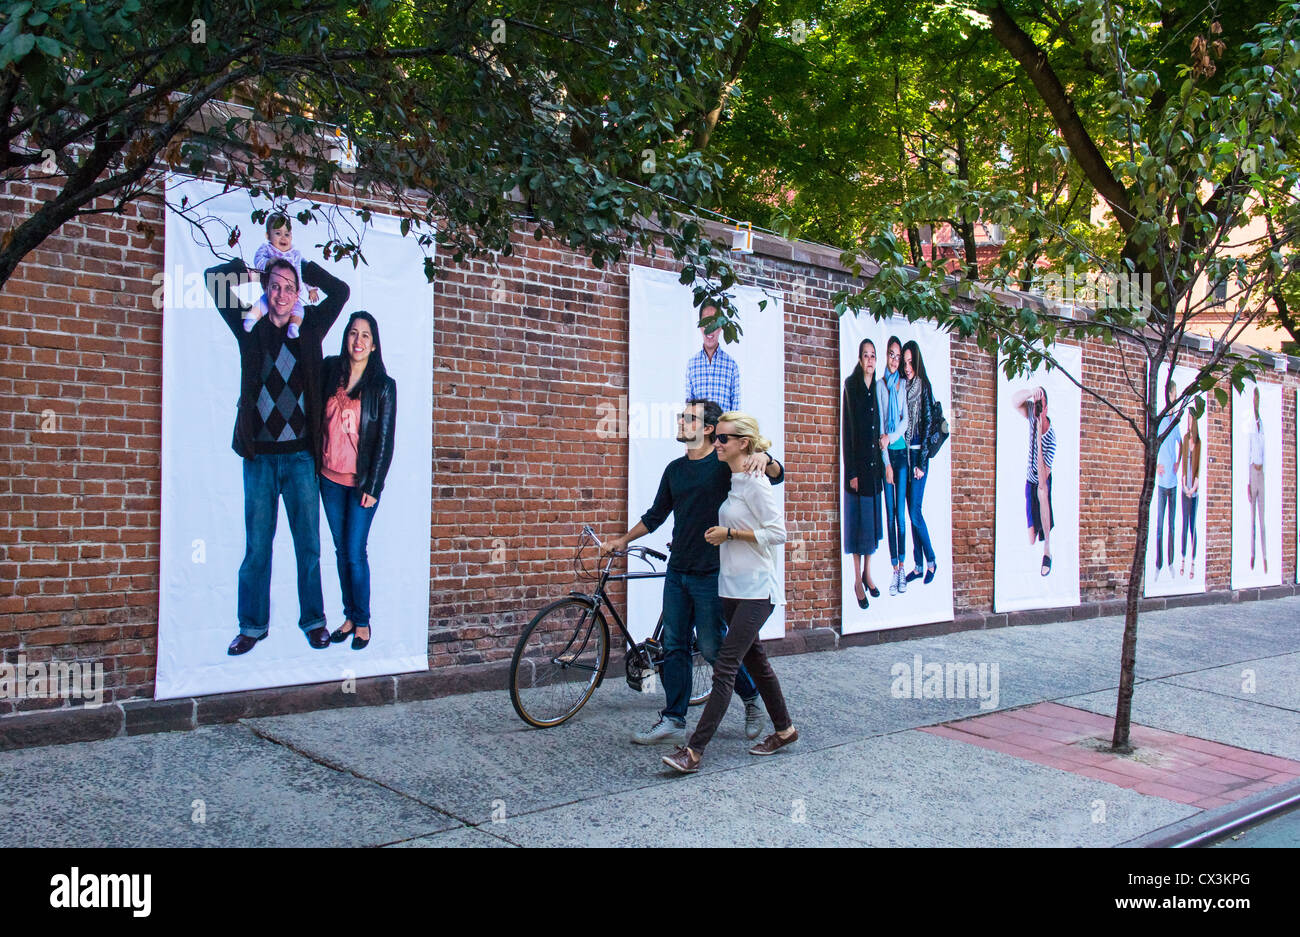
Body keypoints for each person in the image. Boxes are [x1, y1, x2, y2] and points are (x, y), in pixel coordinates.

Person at [604, 399, 784, 746]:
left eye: (687, 418)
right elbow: (656, 515)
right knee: (673, 645)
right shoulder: (674, 469)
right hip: (678, 570)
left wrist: (768, 459)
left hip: (712, 573)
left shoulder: (721, 465)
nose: (679, 422)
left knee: (715, 649)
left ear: (706, 429)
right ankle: (673, 718)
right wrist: (622, 540)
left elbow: (775, 477)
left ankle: (750, 699)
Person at [205, 254, 350, 654]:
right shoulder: (248, 328)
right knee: (257, 547)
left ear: (298, 292)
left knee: (308, 545)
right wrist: (253, 271)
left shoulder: (311, 328)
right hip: (260, 460)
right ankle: (252, 627)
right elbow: (213, 278)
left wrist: (304, 271)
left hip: (301, 459)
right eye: (275, 286)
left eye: (289, 287)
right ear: (265, 290)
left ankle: (314, 622)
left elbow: (340, 291)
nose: (282, 294)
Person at [662, 412, 796, 773]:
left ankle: (692, 751)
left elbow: (779, 533)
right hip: (730, 588)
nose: (716, 443)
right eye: (716, 437)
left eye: (723, 439)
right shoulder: (734, 480)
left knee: (723, 665)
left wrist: (731, 535)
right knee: (757, 662)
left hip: (757, 590)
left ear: (742, 443)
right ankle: (784, 729)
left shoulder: (754, 482)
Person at [320, 312, 397, 651]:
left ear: (374, 344)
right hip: (328, 479)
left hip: (361, 483)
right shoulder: (329, 372)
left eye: (365, 335)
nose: (358, 341)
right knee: (340, 551)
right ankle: (349, 617)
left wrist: (374, 487)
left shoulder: (383, 385)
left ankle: (363, 621)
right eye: (353, 333)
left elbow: (385, 440)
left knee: (355, 552)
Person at [842, 338, 885, 609]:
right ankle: (857, 579)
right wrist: (852, 472)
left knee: (871, 525)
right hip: (858, 469)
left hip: (875, 468)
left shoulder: (877, 388)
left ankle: (869, 573)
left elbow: (879, 423)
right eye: (865, 356)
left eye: (873, 356)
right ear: (859, 360)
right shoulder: (851, 385)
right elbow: (848, 432)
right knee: (858, 526)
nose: (870, 360)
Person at [242, 214, 317, 340]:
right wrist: (268, 263)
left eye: (287, 234)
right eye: (278, 233)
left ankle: (293, 327)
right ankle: (251, 320)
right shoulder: (267, 249)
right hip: (273, 292)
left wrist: (311, 289)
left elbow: (304, 271)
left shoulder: (295, 254)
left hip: (293, 295)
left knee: (299, 311)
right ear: (268, 236)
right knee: (262, 304)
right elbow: (258, 260)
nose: (283, 238)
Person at [901, 341, 938, 586]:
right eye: (904, 362)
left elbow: (927, 426)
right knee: (911, 511)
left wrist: (921, 462)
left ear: (917, 360)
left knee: (915, 512)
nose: (907, 367)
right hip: (904, 455)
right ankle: (917, 565)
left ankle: (932, 561)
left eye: (910, 361)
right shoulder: (902, 386)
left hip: (918, 457)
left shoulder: (923, 387)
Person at [1012, 386, 1055, 576]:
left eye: (1041, 405)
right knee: (1031, 538)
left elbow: (1042, 476)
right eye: (1037, 405)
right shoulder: (1032, 414)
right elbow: (1014, 401)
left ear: (1046, 408)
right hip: (1030, 481)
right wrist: (1031, 392)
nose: (1038, 409)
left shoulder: (1051, 439)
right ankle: (1040, 534)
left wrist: (1038, 435)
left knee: (1042, 492)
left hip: (1042, 481)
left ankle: (1047, 549)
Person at [878, 336, 910, 595]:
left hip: (902, 456)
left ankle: (903, 564)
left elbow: (904, 422)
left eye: (898, 356)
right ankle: (895, 570)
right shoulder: (880, 386)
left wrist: (892, 438)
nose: (894, 360)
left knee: (901, 515)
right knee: (889, 516)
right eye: (891, 354)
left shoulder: (902, 384)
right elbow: (880, 428)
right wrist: (886, 462)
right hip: (887, 458)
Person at [684, 304, 741, 412]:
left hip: (723, 428)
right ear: (700, 326)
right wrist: (689, 429)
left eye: (713, 323)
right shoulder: (692, 364)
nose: (709, 328)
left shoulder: (731, 364)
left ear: (720, 327)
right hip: (700, 428)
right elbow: (689, 406)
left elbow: (736, 406)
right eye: (705, 322)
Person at [1153, 409, 1181, 581]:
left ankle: (1170, 562)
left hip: (1174, 482)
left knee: (1171, 525)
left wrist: (1179, 462)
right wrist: (1156, 465)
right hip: (1162, 482)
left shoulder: (1175, 423)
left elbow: (1182, 443)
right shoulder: (1161, 421)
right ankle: (1158, 563)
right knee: (1160, 526)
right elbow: (1153, 444)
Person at [1246, 387, 1267, 573]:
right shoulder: (1250, 424)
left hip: (1261, 473)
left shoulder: (1262, 424)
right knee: (1252, 516)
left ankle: (1265, 556)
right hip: (1253, 471)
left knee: (1262, 517)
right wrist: (1247, 480)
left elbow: (1265, 452)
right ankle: (1252, 555)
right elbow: (1248, 454)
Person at [1179, 405, 1201, 578]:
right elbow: (1184, 471)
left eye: (1190, 418)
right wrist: (1185, 487)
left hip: (1194, 490)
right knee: (1184, 524)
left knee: (1192, 525)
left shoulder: (1198, 443)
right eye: (1187, 418)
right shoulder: (1186, 439)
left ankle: (1193, 561)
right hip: (1185, 489)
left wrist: (1193, 488)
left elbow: (1198, 468)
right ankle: (1183, 558)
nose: (1188, 421)